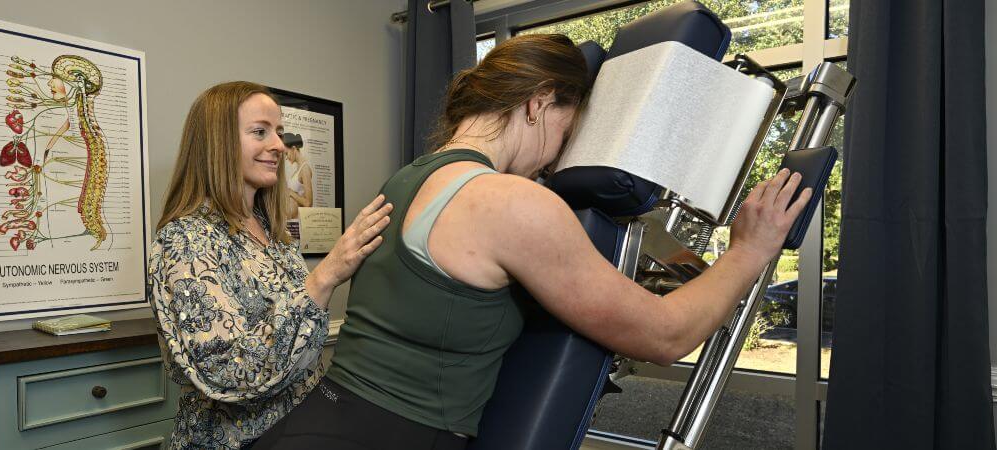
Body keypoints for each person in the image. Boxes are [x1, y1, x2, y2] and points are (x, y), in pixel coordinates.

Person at [252, 34, 812, 450]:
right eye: (567, 133)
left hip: (318, 422)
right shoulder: (511, 203)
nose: (557, 159)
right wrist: (748, 250)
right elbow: (665, 335)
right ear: (538, 103)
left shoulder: (409, 177)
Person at [149, 81, 393, 450]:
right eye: (260, 131)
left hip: (300, 430)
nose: (279, 144)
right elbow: (229, 371)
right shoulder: (184, 240)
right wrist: (327, 274)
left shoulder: (275, 235)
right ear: (217, 142)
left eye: (278, 131)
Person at [281, 133, 313, 221]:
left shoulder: (305, 169)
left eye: (286, 153)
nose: (286, 158)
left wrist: (291, 193)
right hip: (291, 221)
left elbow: (308, 203)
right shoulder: (298, 170)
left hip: (298, 222)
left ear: (294, 149)